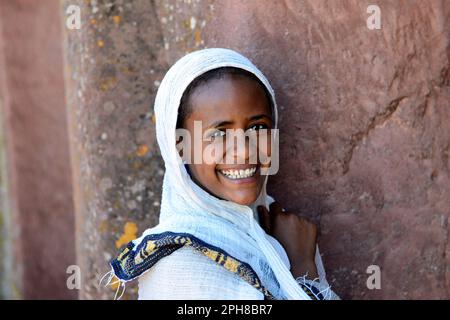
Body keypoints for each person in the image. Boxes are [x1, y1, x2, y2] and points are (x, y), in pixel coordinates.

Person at [104, 48, 340, 300]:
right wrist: (303, 269)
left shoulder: (275, 235)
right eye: (218, 134)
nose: (244, 152)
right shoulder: (181, 266)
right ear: (179, 147)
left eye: (258, 127)